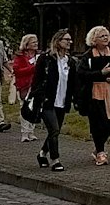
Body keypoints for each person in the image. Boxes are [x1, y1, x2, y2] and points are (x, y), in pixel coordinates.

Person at [29, 29, 78, 171]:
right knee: (54, 129)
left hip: (62, 101)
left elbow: (72, 83)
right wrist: (38, 96)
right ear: (57, 41)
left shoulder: (70, 61)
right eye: (66, 40)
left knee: (54, 131)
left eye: (70, 40)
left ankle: (42, 153)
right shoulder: (46, 59)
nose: (69, 42)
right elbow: (37, 80)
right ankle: (55, 160)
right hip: (47, 101)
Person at [78, 26, 110, 166]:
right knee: (97, 123)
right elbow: (81, 74)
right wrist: (101, 73)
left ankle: (98, 148)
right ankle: (100, 152)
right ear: (94, 39)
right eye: (102, 36)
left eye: (107, 35)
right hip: (94, 94)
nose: (106, 38)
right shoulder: (87, 56)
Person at [11, 34, 40, 144]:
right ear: (26, 44)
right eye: (33, 42)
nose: (36, 44)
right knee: (24, 107)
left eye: (36, 42)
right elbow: (17, 70)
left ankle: (31, 131)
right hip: (24, 85)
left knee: (35, 108)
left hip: (36, 85)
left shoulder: (39, 56)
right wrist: (32, 68)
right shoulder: (20, 57)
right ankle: (24, 132)